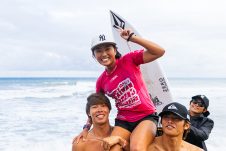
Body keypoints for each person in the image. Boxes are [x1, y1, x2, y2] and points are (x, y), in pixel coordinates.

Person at [74, 27, 165, 151]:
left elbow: (159, 51)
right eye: (99, 51)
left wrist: (132, 38)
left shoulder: (129, 60)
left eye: (108, 49)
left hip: (146, 116)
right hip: (123, 121)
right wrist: (86, 128)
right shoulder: (101, 81)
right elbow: (95, 105)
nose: (104, 54)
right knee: (112, 149)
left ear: (115, 50)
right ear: (94, 55)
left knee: (137, 148)